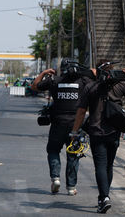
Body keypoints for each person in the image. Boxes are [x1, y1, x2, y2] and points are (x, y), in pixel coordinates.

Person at [70, 60, 125, 213]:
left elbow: (81, 112)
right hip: (114, 132)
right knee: (108, 165)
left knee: (100, 165)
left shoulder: (90, 87)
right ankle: (104, 197)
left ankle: (104, 198)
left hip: (96, 132)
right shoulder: (120, 86)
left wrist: (75, 132)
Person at [31, 59, 95, 196]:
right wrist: (88, 72)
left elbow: (34, 86)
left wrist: (43, 73)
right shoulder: (84, 82)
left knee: (53, 150)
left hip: (58, 123)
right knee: (73, 153)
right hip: (76, 124)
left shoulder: (54, 80)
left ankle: (55, 178)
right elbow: (96, 78)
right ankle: (71, 187)